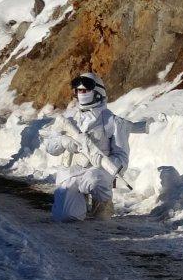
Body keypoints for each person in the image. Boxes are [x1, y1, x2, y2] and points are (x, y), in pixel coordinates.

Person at [42, 72, 129, 222]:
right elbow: (50, 147)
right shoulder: (68, 119)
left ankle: (103, 203)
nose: (82, 94)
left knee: (93, 179)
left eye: (86, 90)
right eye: (79, 90)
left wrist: (104, 164)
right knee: (65, 216)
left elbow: (121, 157)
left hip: (97, 172)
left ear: (98, 92)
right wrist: (63, 141)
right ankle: (79, 201)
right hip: (72, 172)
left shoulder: (111, 121)